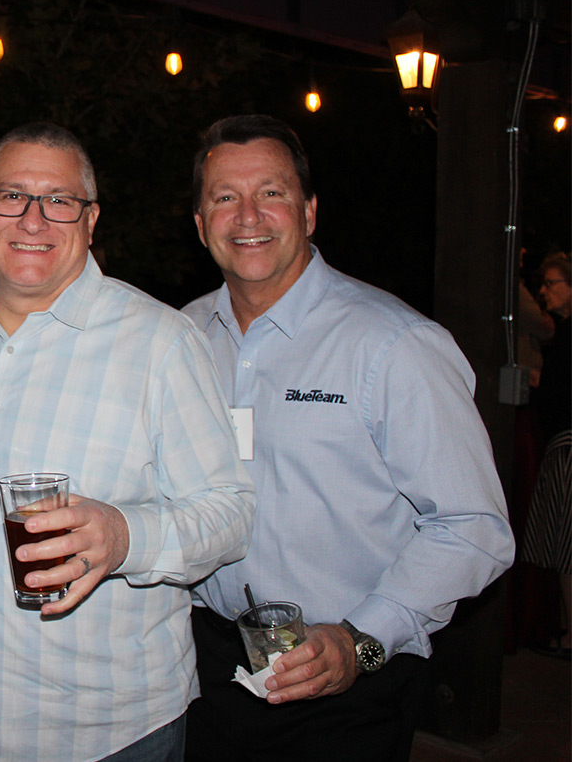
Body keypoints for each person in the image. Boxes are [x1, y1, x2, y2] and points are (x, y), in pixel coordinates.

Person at [0, 122, 255, 761]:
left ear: (90, 220)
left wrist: (124, 536)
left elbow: (230, 513)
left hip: (106, 733)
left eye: (59, 201)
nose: (33, 219)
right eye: (12, 196)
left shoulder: (161, 343)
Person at [182, 114, 516, 762]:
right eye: (224, 197)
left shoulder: (394, 346)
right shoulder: (179, 338)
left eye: (271, 193)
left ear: (309, 211)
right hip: (206, 668)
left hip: (342, 676)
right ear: (200, 224)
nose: (248, 215)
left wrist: (360, 640)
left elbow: (474, 526)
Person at [523, 251, 570, 657]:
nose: (544, 290)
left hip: (567, 443)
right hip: (560, 439)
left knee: (564, 541)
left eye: (553, 283)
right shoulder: (562, 334)